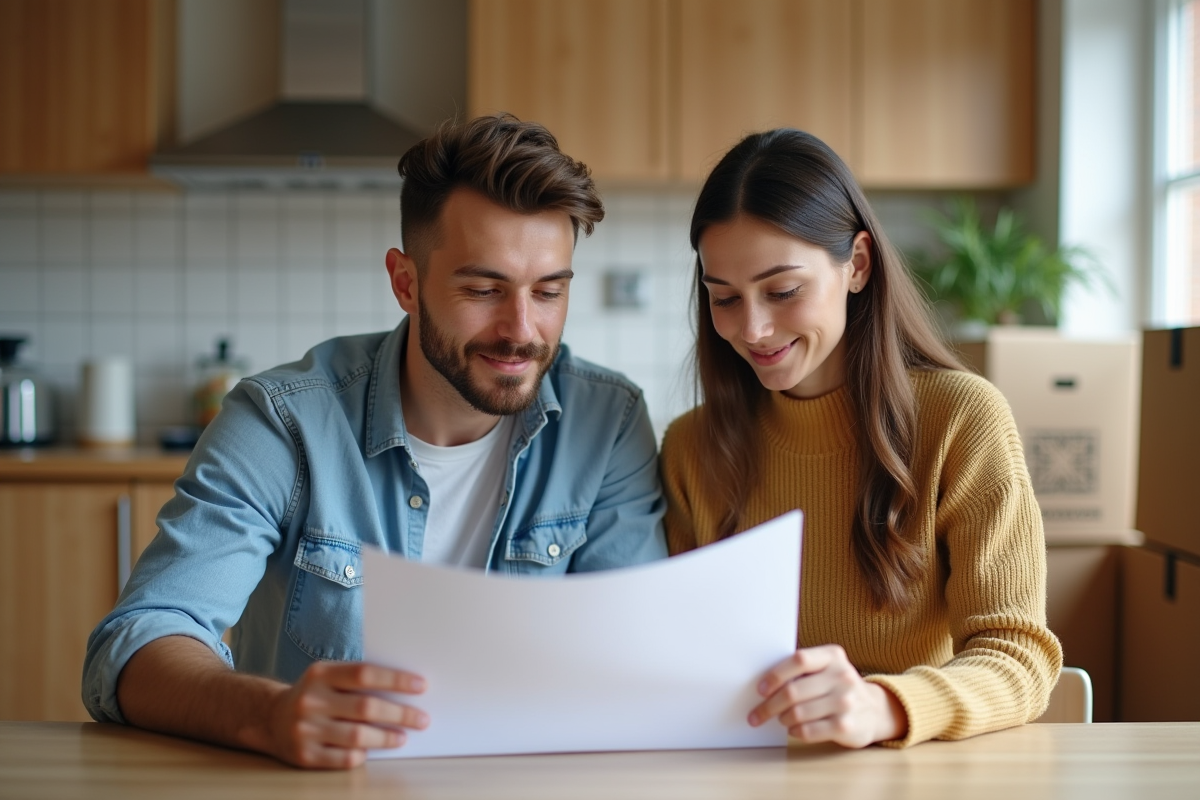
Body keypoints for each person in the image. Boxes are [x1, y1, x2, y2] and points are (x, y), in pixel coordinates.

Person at [83, 114, 667, 769]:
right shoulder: (283, 421)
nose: (521, 330)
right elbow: (138, 640)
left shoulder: (607, 420)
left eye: (549, 292)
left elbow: (633, 656)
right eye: (483, 289)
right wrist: (267, 715)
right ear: (405, 282)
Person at [660, 129, 1063, 749]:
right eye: (724, 299)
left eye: (783, 290)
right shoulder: (691, 447)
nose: (754, 329)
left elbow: (1019, 658)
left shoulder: (962, 420)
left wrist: (884, 707)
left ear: (858, 265)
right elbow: (676, 658)